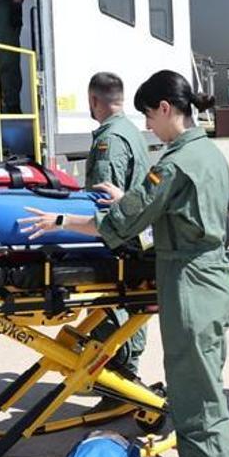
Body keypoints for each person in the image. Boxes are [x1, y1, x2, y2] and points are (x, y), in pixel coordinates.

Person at [18, 70, 229, 457]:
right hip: (210, 277)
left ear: (163, 108)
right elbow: (171, 211)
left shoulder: (175, 162)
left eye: (148, 116)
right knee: (203, 395)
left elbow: (120, 222)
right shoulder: (209, 153)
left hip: (190, 284)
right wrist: (134, 202)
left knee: (198, 405)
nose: (148, 128)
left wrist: (60, 220)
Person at [83, 72, 151, 408]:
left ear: (94, 101)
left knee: (113, 314)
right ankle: (126, 382)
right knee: (131, 311)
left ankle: (118, 386)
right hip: (138, 244)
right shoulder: (134, 133)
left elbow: (105, 207)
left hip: (120, 245)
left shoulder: (110, 141)